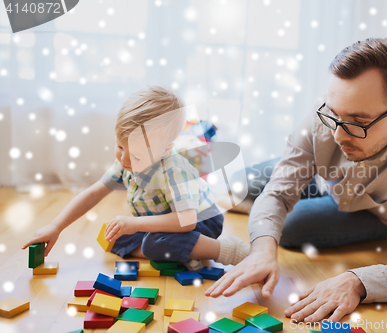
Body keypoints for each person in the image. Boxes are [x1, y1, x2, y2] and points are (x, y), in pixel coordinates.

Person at [205, 38, 387, 323]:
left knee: (291, 228)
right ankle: (295, 195)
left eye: (357, 122)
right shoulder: (327, 116)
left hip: (376, 213)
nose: (339, 135)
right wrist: (262, 250)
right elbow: (279, 193)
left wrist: (358, 281)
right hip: (325, 181)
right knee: (243, 184)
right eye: (334, 114)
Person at [22, 85, 250, 270]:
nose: (125, 159)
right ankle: (181, 253)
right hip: (164, 222)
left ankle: (225, 249)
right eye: (120, 146)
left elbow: (186, 220)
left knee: (153, 243)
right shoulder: (126, 162)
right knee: (112, 235)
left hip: (199, 222)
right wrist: (55, 227)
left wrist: (136, 223)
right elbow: (93, 193)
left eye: (137, 155)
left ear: (164, 149)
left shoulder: (175, 171)